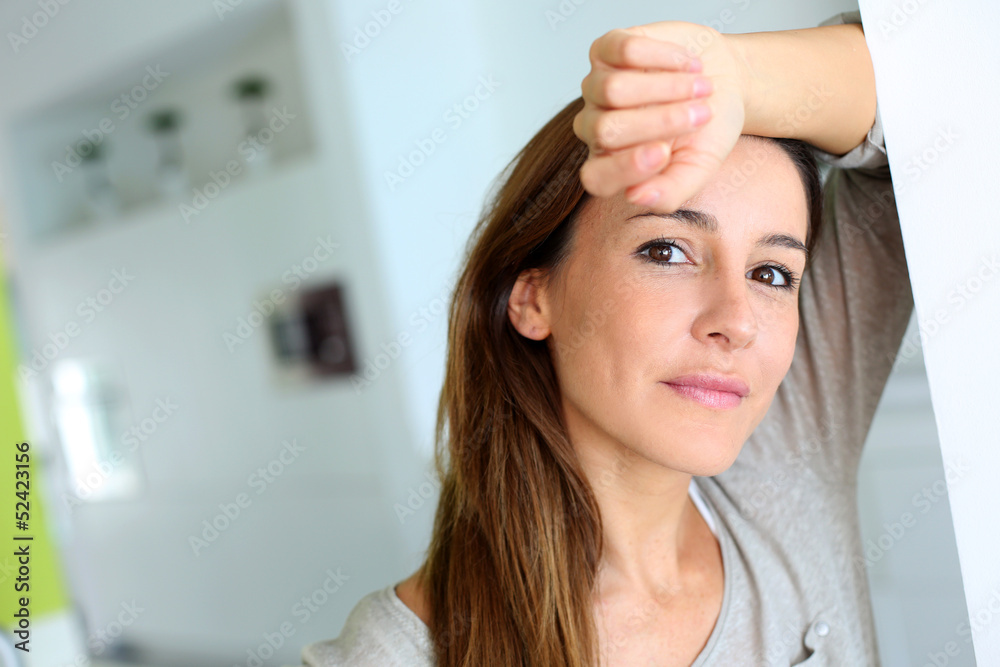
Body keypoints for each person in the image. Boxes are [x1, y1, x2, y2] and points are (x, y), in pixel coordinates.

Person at [294, 9, 913, 667]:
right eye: (667, 250)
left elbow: (925, 101)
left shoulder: (787, 455)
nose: (736, 319)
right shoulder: (397, 655)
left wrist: (731, 75)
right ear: (534, 297)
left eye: (770, 271)